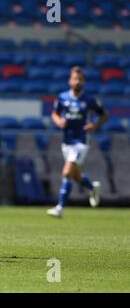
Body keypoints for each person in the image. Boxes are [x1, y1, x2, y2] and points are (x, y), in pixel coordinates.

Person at [47, 66, 108, 218]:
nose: (77, 82)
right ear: (69, 80)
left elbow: (104, 115)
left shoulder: (89, 99)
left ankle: (60, 208)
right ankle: (93, 187)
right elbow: (54, 113)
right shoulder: (62, 97)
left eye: (80, 79)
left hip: (81, 141)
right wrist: (58, 121)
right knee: (76, 176)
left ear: (84, 82)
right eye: (75, 79)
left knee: (67, 172)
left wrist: (94, 125)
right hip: (66, 141)